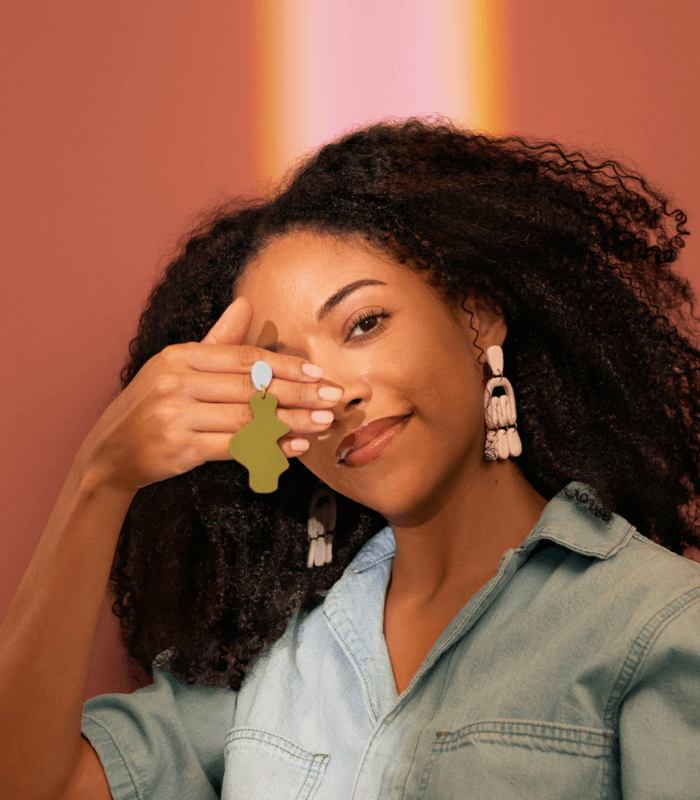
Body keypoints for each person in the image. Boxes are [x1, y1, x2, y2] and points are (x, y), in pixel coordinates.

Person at [2, 118, 700, 800]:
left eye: (364, 324)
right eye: (278, 375)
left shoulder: (657, 626)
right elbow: (29, 783)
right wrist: (101, 477)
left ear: (477, 313)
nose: (331, 397)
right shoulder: (270, 657)